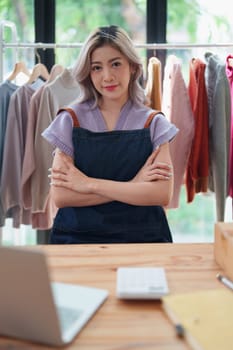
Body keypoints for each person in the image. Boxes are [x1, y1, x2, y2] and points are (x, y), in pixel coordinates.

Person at [42, 25, 179, 244]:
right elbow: (62, 196)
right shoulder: (69, 120)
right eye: (96, 68)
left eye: (115, 64)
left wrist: (88, 184)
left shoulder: (154, 123)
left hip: (145, 239)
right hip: (77, 239)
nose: (107, 76)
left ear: (133, 67)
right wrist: (135, 186)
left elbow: (161, 194)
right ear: (88, 72)